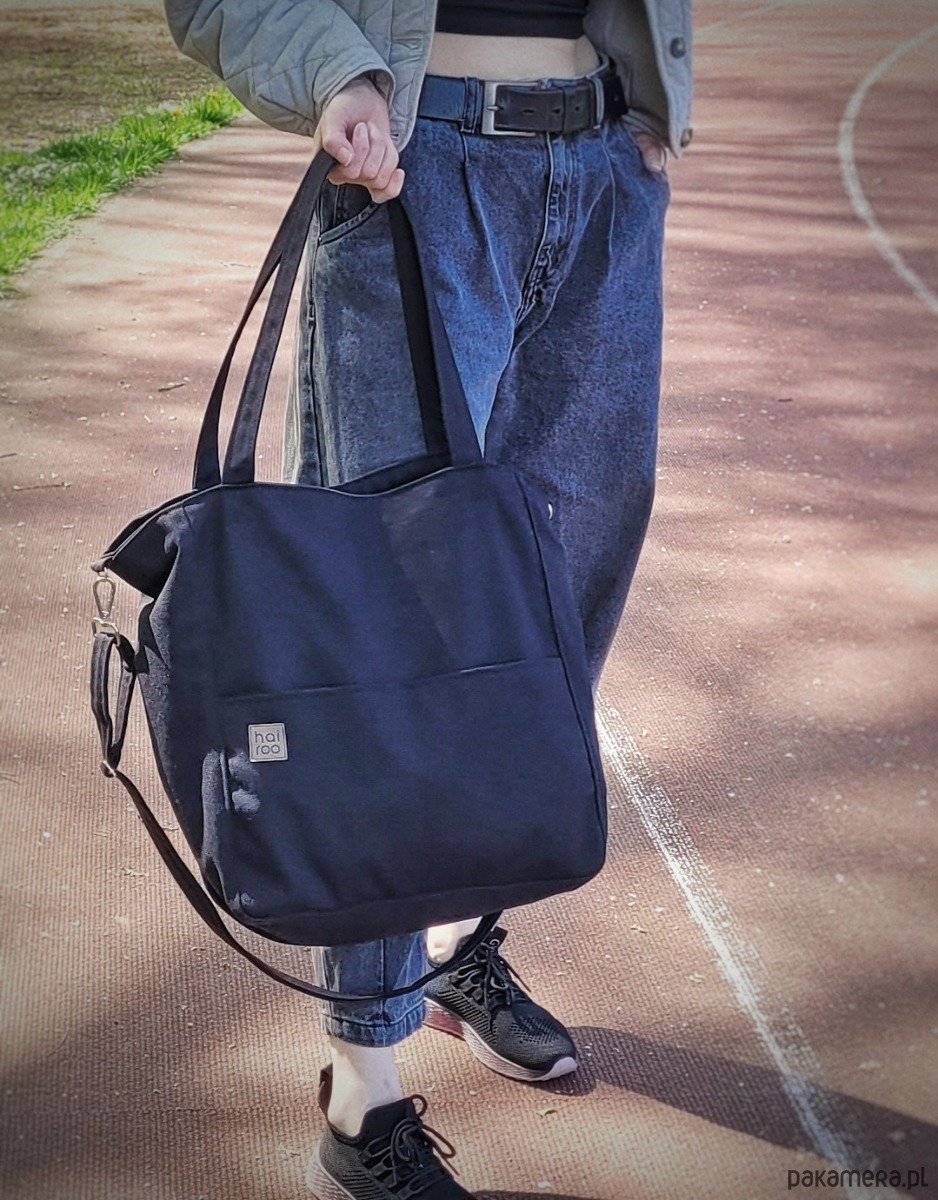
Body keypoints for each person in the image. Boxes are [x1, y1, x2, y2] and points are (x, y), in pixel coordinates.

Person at [165, 1, 693, 1196]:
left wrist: (650, 94)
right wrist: (335, 72)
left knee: (550, 611)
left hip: (604, 170)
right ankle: (360, 1096)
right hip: (415, 164)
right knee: (383, 642)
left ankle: (460, 940)